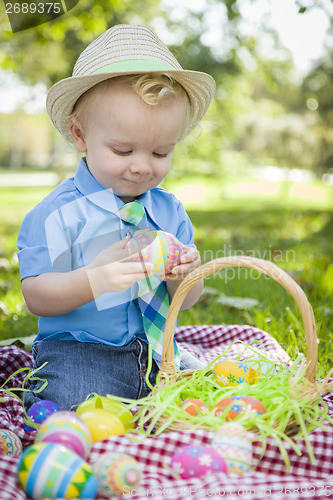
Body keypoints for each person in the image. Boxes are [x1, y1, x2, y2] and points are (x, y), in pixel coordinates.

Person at [17, 24, 216, 411]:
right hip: (83, 351)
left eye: (160, 153)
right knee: (72, 403)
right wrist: (96, 280)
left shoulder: (168, 210)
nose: (142, 167)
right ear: (80, 136)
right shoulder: (58, 214)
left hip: (160, 353)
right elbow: (36, 296)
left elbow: (188, 301)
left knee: (207, 399)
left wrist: (185, 275)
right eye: (123, 150)